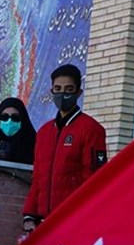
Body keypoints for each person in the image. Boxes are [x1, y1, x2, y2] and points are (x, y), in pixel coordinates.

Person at [22, 63, 108, 234]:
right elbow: (37, 178)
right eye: (58, 89)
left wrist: (84, 217)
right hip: (42, 224)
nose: (62, 94)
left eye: (69, 89)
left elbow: (95, 178)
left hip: (74, 223)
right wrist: (29, 215)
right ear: (52, 91)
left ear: (78, 93)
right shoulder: (44, 132)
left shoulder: (91, 129)